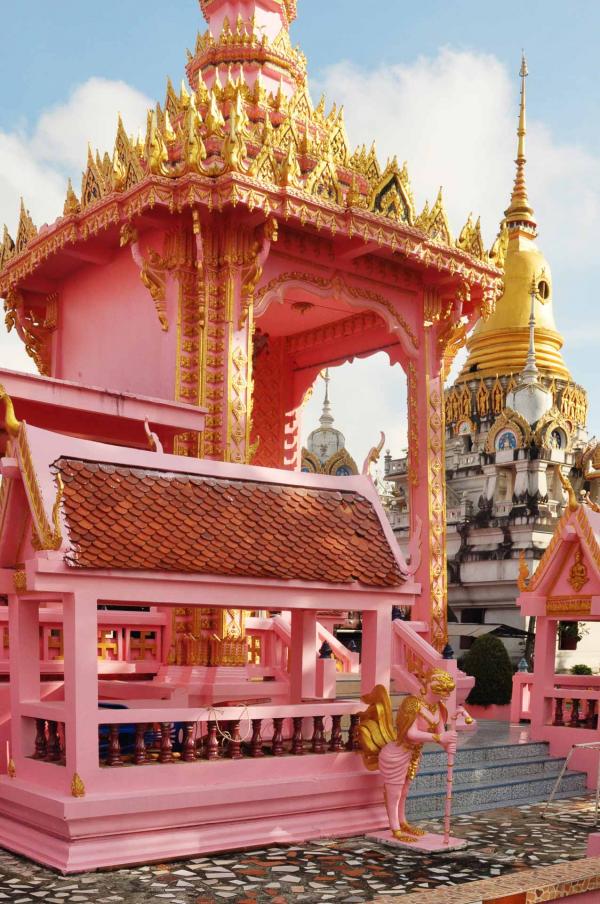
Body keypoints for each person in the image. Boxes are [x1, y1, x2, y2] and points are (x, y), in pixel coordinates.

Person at [359, 668, 457, 841]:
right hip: (396, 754)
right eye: (439, 685)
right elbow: (410, 734)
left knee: (404, 791)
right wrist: (439, 737)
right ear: (427, 684)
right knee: (395, 792)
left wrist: (447, 746)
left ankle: (403, 822)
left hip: (414, 754)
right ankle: (395, 827)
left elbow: (442, 735)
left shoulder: (438, 708)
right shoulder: (412, 703)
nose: (444, 692)